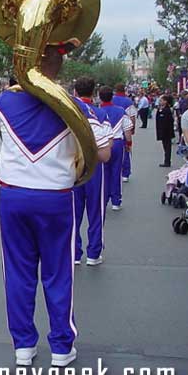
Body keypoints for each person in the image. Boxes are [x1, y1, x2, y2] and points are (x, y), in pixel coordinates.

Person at [0, 46, 111, 368]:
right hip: (55, 198)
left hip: (12, 197)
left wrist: (14, 90)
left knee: (17, 271)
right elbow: (105, 153)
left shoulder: (4, 103)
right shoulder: (76, 106)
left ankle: (23, 346)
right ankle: (61, 348)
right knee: (58, 272)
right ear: (60, 66)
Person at [73, 77, 112, 266]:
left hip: (72, 168)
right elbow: (107, 149)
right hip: (94, 167)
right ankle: (94, 253)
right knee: (96, 211)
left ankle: (74, 252)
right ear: (93, 93)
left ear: (75, 92)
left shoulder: (67, 112)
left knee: (73, 212)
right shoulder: (100, 114)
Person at [99, 86, 133, 211]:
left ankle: (103, 198)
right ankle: (116, 201)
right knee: (116, 172)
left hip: (102, 144)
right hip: (117, 143)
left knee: (104, 173)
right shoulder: (120, 111)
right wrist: (129, 144)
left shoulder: (96, 111)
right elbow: (128, 129)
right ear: (111, 96)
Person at [112, 84, 137, 182]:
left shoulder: (111, 100)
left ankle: (114, 172)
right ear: (124, 90)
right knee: (126, 149)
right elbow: (132, 116)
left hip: (113, 128)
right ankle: (125, 173)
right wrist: (132, 128)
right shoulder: (128, 101)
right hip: (124, 128)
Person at [156, 95, 175, 168]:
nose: (160, 101)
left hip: (166, 132)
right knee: (165, 146)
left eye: (161, 100)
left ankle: (167, 162)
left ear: (165, 101)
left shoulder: (167, 110)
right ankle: (166, 160)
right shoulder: (161, 109)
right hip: (162, 131)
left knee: (167, 147)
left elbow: (169, 122)